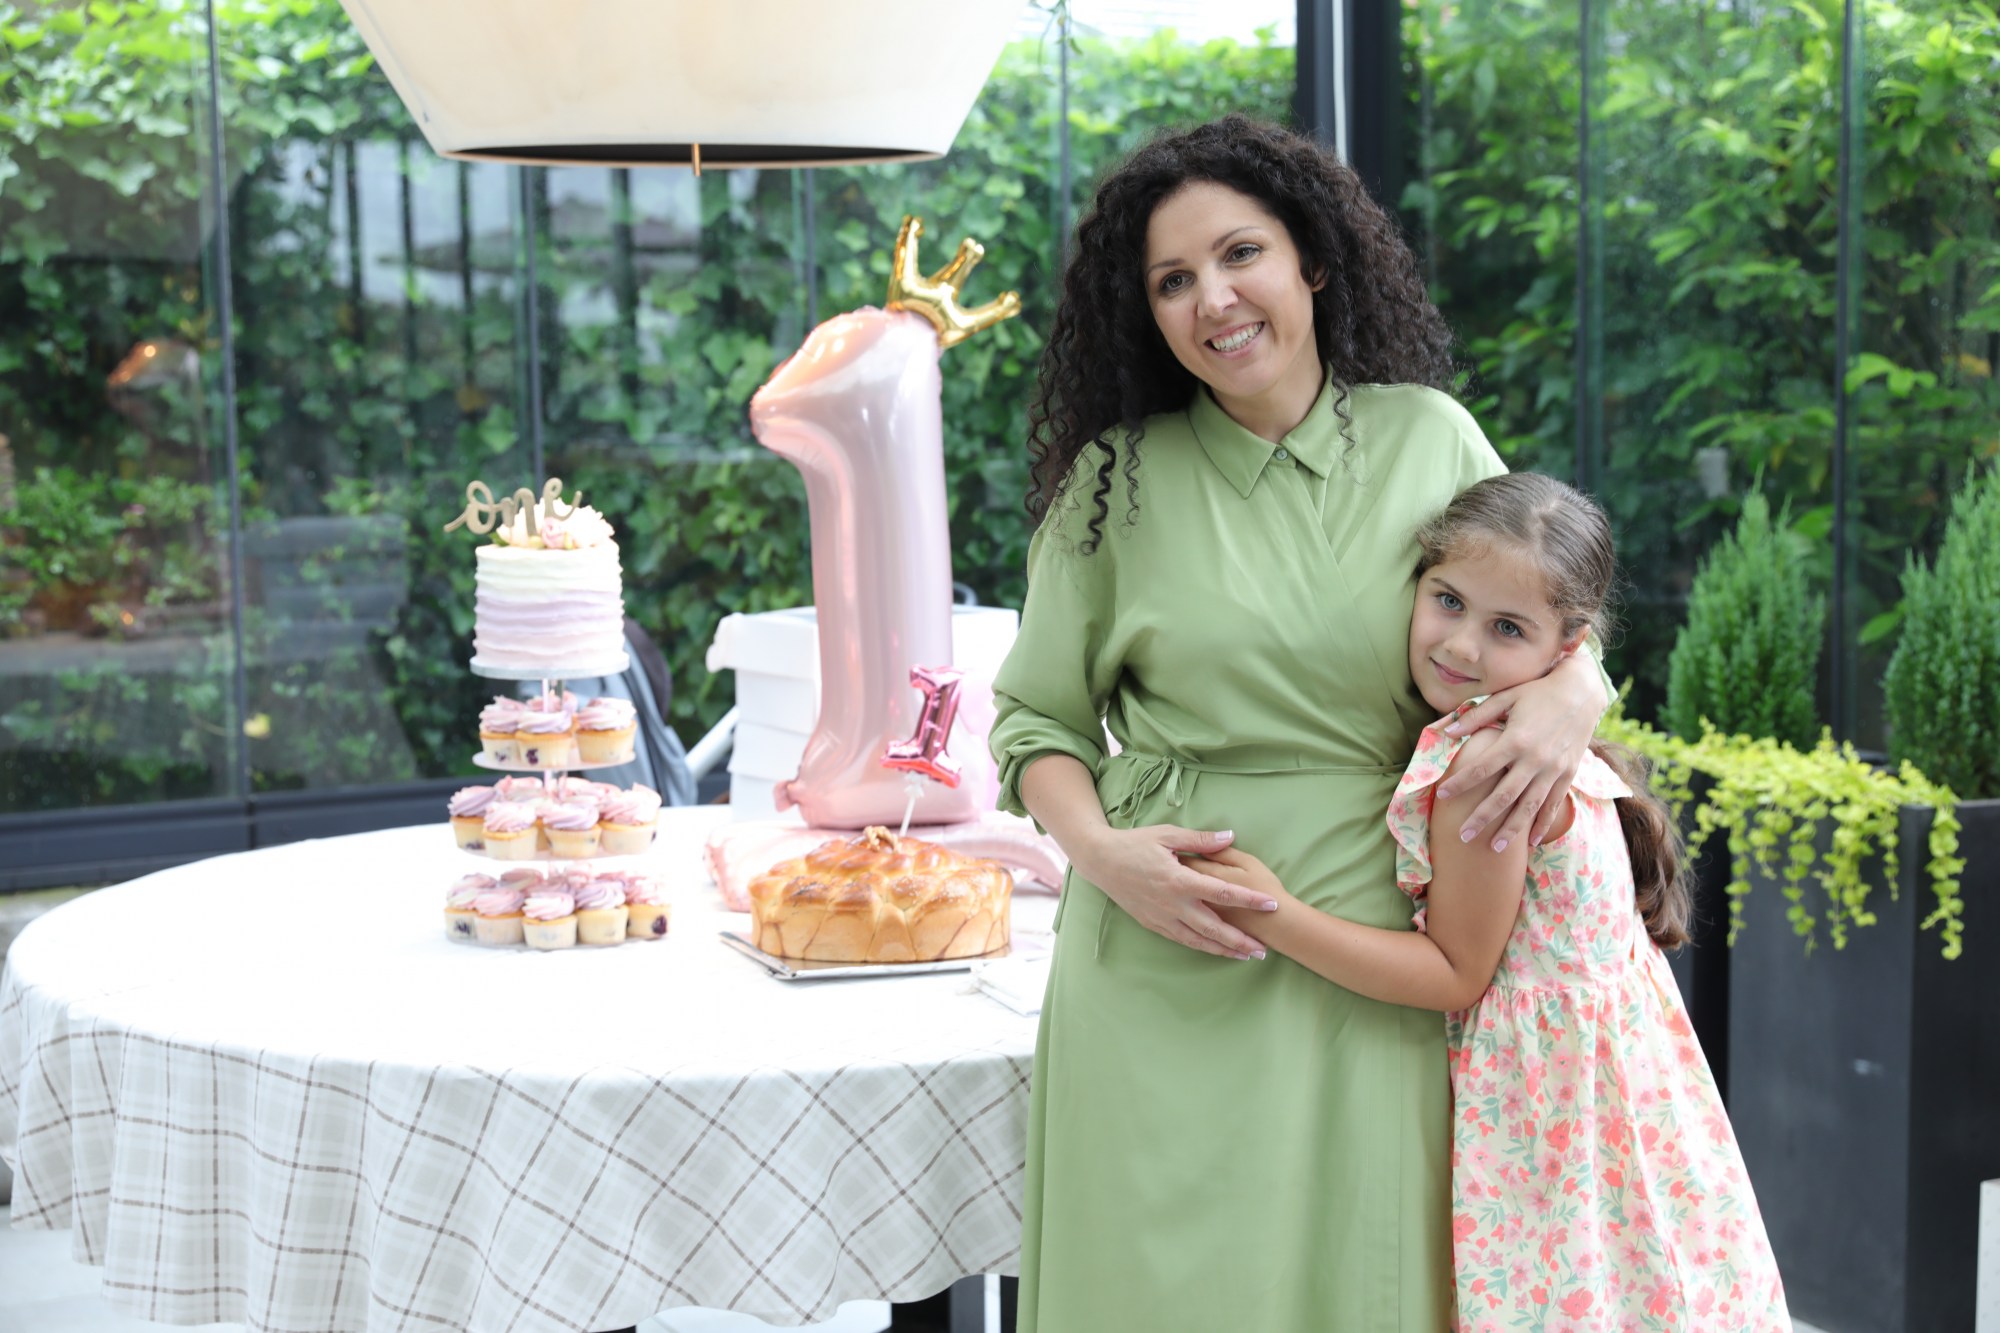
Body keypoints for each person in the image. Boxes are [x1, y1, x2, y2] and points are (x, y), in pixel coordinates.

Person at [989, 115, 1612, 1330]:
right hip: (1162, 942)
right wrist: (1103, 855)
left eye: (1240, 254)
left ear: (1311, 261)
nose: (1212, 299)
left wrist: (1577, 690)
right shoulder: (1112, 483)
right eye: (1171, 280)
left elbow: (1536, 615)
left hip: (1374, 947)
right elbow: (1035, 724)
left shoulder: (1428, 435)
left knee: (1358, 1284)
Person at [1193, 473, 1791, 1330]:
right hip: (1630, 1116)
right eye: (1448, 601)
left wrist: (1274, 912)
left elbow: (1455, 970)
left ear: (1569, 645)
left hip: (1546, 1132)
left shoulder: (1487, 768)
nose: (1463, 645)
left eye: (1507, 627)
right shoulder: (1546, 733)